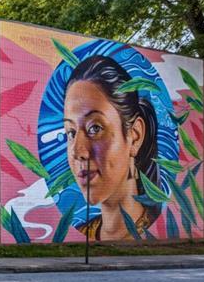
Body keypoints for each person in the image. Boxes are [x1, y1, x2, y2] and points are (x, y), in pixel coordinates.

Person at [62, 55, 160, 240]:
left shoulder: (151, 236)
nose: (77, 152)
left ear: (135, 136)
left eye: (95, 128)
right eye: (71, 133)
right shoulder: (87, 231)